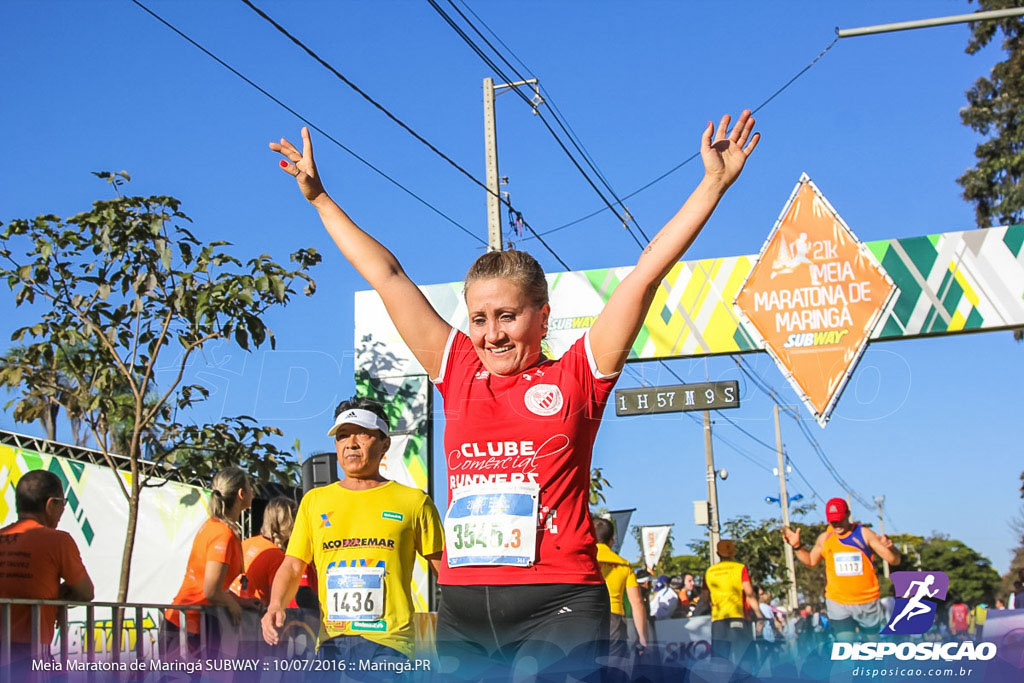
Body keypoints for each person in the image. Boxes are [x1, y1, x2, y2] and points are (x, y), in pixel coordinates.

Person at [270, 109, 759, 676]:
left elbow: (645, 273)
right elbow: (389, 277)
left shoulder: (579, 374)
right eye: (479, 318)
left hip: (559, 602)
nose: (491, 333)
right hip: (462, 610)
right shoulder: (456, 368)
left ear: (542, 317)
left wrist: (712, 184)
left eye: (507, 316)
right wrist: (319, 197)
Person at [261, 397, 445, 665]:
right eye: (343, 436)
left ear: (385, 443)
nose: (351, 443)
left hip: (389, 645)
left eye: (362, 434)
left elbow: (446, 570)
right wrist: (275, 605)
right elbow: (292, 565)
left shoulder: (413, 501)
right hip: (331, 644)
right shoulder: (315, 501)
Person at [163, 467, 260, 657]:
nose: (253, 491)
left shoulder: (215, 527)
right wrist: (233, 606)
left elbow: (215, 587)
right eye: (250, 486)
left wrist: (241, 601)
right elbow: (210, 590)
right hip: (190, 626)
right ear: (241, 494)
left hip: (192, 622)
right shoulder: (221, 533)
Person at [0, 470, 94, 664]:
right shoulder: (58, 541)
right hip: (28, 652)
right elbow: (86, 592)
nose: (63, 510)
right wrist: (58, 597)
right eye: (63, 503)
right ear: (51, 504)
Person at [782, 497, 900, 641]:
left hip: (867, 601)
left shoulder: (864, 534)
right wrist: (797, 547)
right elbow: (811, 561)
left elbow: (894, 560)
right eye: (832, 520)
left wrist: (891, 547)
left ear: (848, 514)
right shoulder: (825, 538)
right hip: (838, 601)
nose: (836, 524)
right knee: (845, 648)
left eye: (839, 519)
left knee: (872, 650)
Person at [593, 517, 648, 659]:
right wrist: (642, 637)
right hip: (614, 620)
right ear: (612, 539)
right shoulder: (624, 564)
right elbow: (637, 602)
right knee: (614, 670)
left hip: (585, 616)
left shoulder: (583, 559)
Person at [233, 496, 298, 606]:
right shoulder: (277, 556)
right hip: (255, 614)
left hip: (231, 611)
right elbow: (277, 599)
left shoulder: (246, 543)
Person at [704, 539, 760, 665]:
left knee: (720, 660)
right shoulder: (740, 568)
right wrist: (759, 614)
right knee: (743, 658)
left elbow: (705, 598)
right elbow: (749, 593)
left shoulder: (709, 572)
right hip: (738, 617)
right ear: (733, 552)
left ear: (718, 553)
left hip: (718, 620)